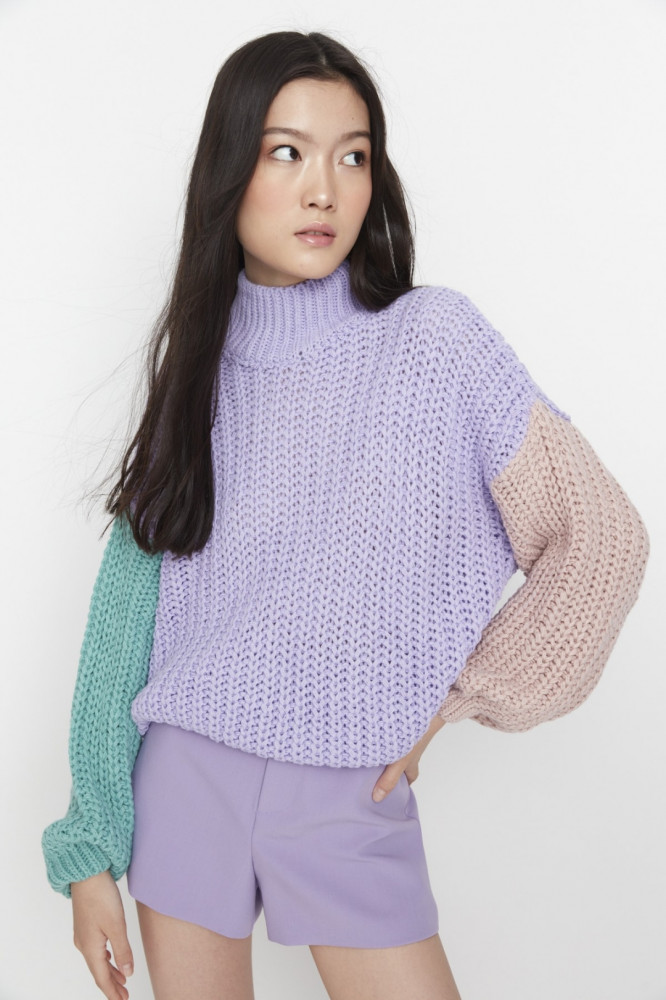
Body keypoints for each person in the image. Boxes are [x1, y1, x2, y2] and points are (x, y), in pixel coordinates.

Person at [41, 29, 650, 1000]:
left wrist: (460, 697)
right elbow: (122, 629)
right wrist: (89, 851)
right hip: (186, 782)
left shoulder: (436, 344)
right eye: (286, 151)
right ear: (229, 169)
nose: (324, 189)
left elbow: (603, 537)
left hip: (347, 791)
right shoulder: (195, 374)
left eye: (352, 156)